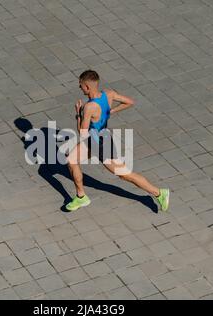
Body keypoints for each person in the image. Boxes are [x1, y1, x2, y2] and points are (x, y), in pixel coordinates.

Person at [65, 69, 170, 212]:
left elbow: (82, 133)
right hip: (99, 138)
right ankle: (81, 197)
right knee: (71, 160)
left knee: (124, 174)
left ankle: (158, 193)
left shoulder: (89, 107)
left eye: (80, 85)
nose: (79, 88)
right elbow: (130, 102)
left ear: (87, 87)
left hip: (100, 144)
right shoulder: (109, 94)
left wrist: (78, 114)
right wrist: (110, 111)